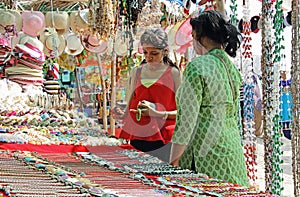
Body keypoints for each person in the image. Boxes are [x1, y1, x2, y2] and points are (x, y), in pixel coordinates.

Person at [169, 10, 249, 187]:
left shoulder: (198, 66)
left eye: (194, 36)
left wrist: (173, 159)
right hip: (232, 151)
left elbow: (187, 121)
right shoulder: (230, 67)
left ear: (201, 37)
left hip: (208, 156)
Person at [112, 28, 181, 162]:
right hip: (138, 135)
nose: (149, 57)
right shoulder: (137, 72)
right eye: (145, 52)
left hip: (165, 137)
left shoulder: (173, 74)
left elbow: (184, 112)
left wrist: (157, 113)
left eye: (154, 53)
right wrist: (123, 113)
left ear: (165, 51)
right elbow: (131, 102)